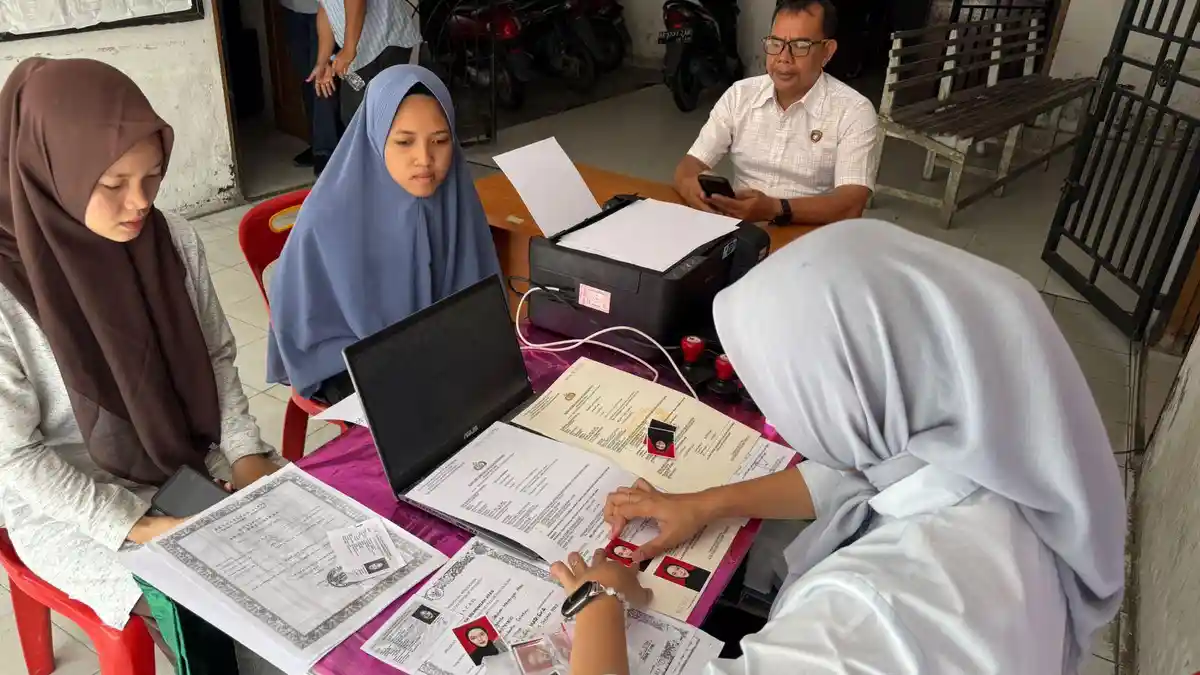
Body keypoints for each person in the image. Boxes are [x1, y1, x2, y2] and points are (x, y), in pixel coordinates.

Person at [552, 219, 1126, 675]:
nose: (772, 409)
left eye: (780, 390)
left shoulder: (869, 619)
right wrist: (704, 503)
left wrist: (600, 602)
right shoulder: (995, 454)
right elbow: (856, 478)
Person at [0, 58, 281, 669]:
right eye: (113, 183)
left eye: (153, 177)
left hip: (181, 455)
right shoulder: (5, 289)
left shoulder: (171, 240)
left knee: (299, 548)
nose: (140, 203)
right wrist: (136, 525)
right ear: (54, 172)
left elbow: (214, 358)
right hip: (73, 502)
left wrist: (247, 454)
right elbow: (15, 461)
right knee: (207, 608)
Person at [266, 65, 501, 404]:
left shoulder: (455, 197)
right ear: (374, 136)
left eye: (440, 140)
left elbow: (479, 302)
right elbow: (302, 328)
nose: (424, 159)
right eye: (404, 142)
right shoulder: (327, 218)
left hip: (442, 354)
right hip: (349, 363)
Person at [674, 0, 878, 235]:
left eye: (800, 45)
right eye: (776, 43)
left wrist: (774, 208)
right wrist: (693, 190)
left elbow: (851, 203)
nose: (784, 57)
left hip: (810, 238)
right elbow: (689, 166)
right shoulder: (739, 95)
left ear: (827, 52)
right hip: (740, 231)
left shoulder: (853, 110)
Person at [310, 0, 421, 129]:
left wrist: (348, 50)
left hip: (381, 42)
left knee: (369, 122)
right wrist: (323, 61)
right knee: (356, 120)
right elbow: (326, 8)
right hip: (360, 53)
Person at [279, 0, 342, 176]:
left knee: (323, 80)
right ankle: (317, 144)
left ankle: (326, 151)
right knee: (307, 79)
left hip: (323, 8)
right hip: (291, 7)